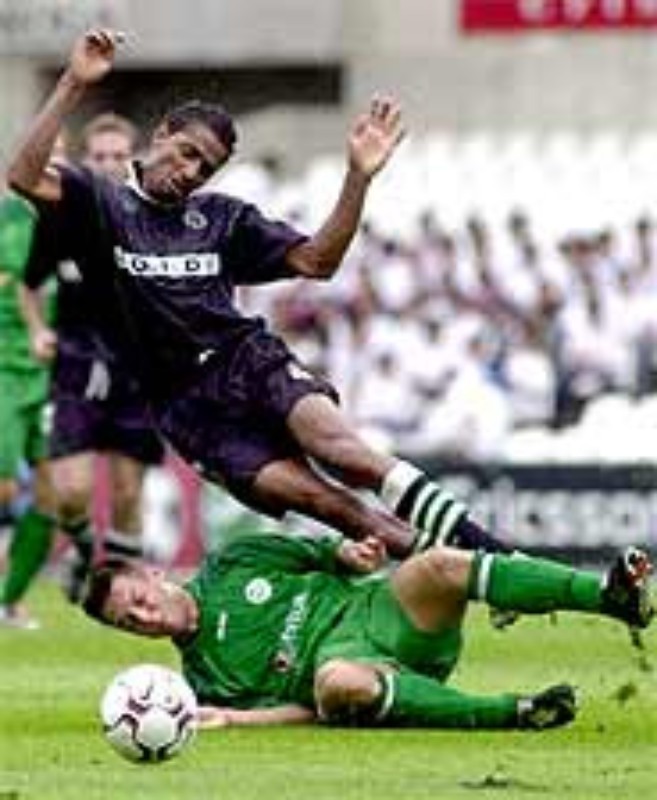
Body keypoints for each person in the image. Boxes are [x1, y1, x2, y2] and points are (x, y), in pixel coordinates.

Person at [7, 29, 515, 563]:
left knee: (349, 454)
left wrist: (357, 179)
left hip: (249, 362)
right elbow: (22, 176)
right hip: (188, 408)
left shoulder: (223, 218)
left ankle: (500, 558)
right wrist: (74, 82)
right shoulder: (100, 202)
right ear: (161, 134)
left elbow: (318, 262)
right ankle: (479, 570)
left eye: (205, 168)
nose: (190, 173)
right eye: (186, 154)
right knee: (335, 508)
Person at [82, 532, 654, 729]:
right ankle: (516, 711)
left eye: (138, 601)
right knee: (335, 684)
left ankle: (611, 598)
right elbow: (308, 713)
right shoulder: (203, 683)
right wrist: (235, 718)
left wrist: (354, 553)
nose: (144, 618)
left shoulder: (234, 562)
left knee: (438, 564)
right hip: (364, 674)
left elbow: (327, 553)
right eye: (128, 623)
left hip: (386, 615)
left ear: (152, 574)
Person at [19, 112, 165, 602]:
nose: (108, 164)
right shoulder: (59, 217)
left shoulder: (153, 217)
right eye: (99, 156)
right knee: (72, 491)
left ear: (134, 161)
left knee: (127, 492)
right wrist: (39, 330)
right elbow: (29, 282)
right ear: (86, 161)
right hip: (77, 361)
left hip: (135, 368)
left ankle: (120, 593)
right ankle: (82, 549)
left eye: (119, 156)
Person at [0, 178, 58, 628]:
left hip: (56, 374)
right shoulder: (7, 220)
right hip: (4, 368)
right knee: (3, 487)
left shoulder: (77, 221)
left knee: (53, 498)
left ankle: (9, 600)